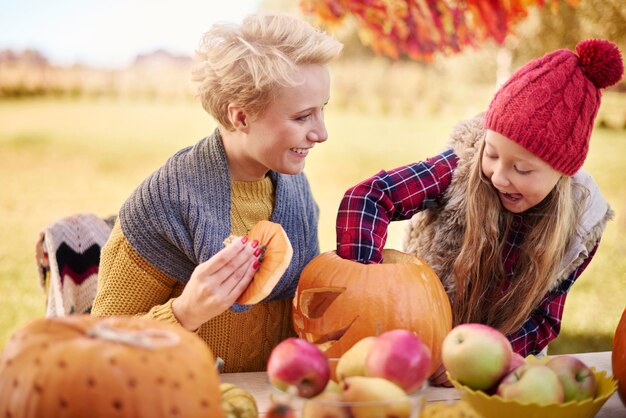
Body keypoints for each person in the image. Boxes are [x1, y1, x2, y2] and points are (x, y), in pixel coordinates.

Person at [335, 39, 623, 385]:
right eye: (493, 153)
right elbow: (369, 197)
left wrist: (481, 359)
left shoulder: (579, 230)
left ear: (562, 172)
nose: (499, 176)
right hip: (406, 350)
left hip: (496, 376)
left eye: (523, 169)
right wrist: (366, 286)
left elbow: (544, 322)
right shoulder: (460, 166)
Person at [91, 13, 343, 372]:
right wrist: (185, 311)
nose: (321, 132)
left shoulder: (296, 190)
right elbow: (100, 348)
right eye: (303, 117)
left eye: (323, 110)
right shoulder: (163, 204)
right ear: (240, 118)